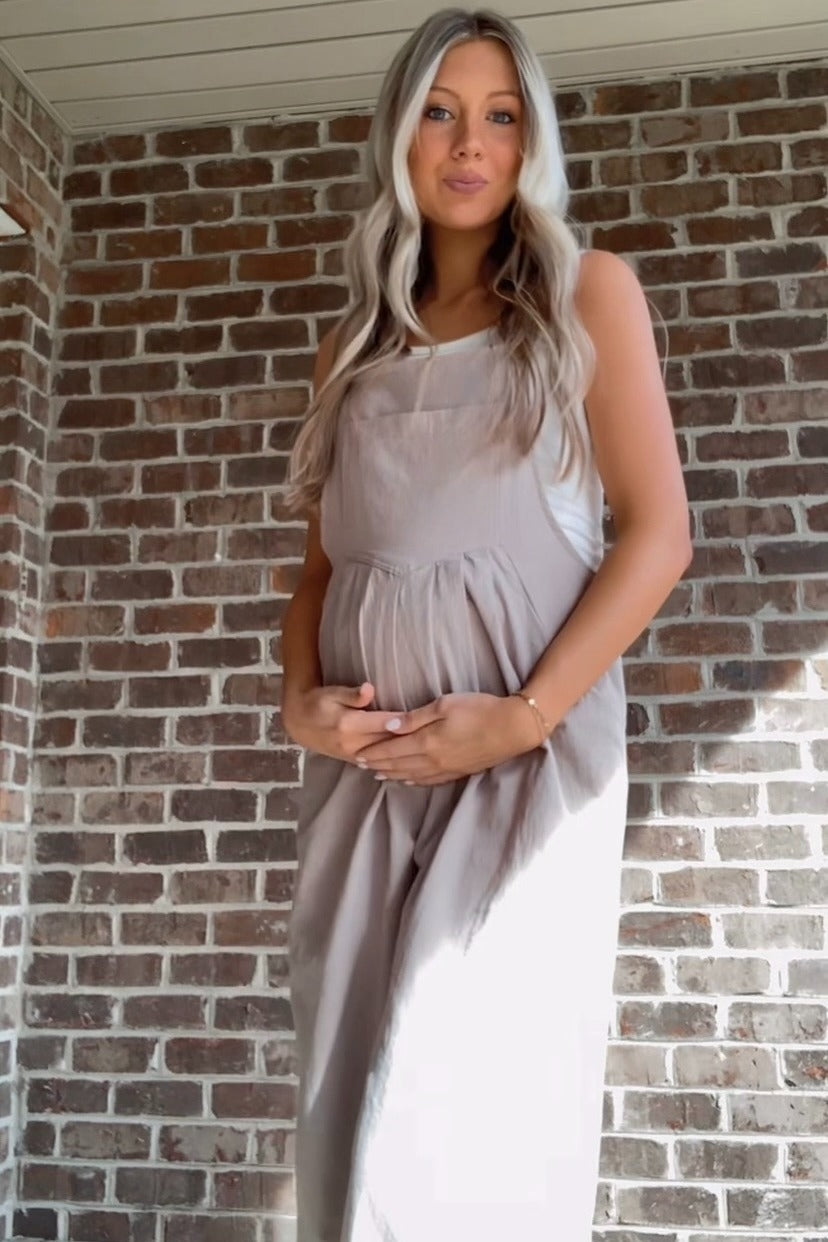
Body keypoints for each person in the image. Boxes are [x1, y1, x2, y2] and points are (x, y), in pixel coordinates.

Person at [280, 8, 691, 1241]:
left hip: (522, 768)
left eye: (501, 116)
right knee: (348, 1114)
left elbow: (658, 535)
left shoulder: (587, 295)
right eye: (441, 113)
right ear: (399, 136)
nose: (470, 144)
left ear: (532, 141)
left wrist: (520, 718)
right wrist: (299, 704)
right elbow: (320, 572)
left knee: (459, 1132)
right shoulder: (353, 348)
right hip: (366, 781)